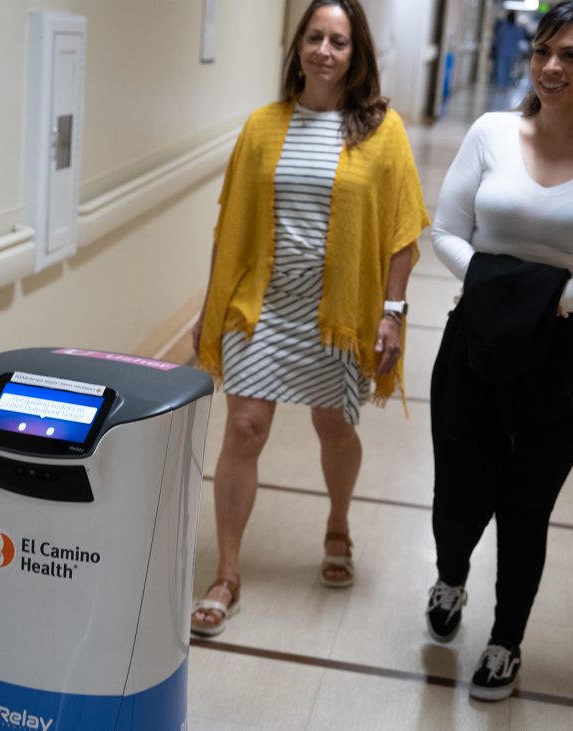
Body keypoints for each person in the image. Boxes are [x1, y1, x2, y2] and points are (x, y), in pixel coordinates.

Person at [426, 0, 573, 701]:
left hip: (570, 355)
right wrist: (502, 295)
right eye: (542, 51)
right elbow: (446, 230)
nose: (552, 67)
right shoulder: (492, 132)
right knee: (459, 488)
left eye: (572, 55)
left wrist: (552, 301)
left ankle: (506, 639)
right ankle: (451, 576)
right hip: (475, 343)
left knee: (526, 506)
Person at [189, 0, 430, 638]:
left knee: (334, 428)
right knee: (244, 429)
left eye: (339, 42)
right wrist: (209, 307)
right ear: (298, 47)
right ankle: (227, 574)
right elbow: (229, 226)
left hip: (337, 313)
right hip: (261, 306)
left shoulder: (381, 131)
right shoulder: (263, 126)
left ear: (357, 54)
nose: (324, 51)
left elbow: (403, 233)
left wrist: (392, 314)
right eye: (315, 37)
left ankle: (338, 525)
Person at [493, 12, 527, 87]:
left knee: (501, 69)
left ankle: (501, 84)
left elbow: (497, 39)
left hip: (502, 51)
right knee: (508, 69)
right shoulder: (516, 29)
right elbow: (521, 38)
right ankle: (505, 85)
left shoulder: (503, 27)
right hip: (511, 52)